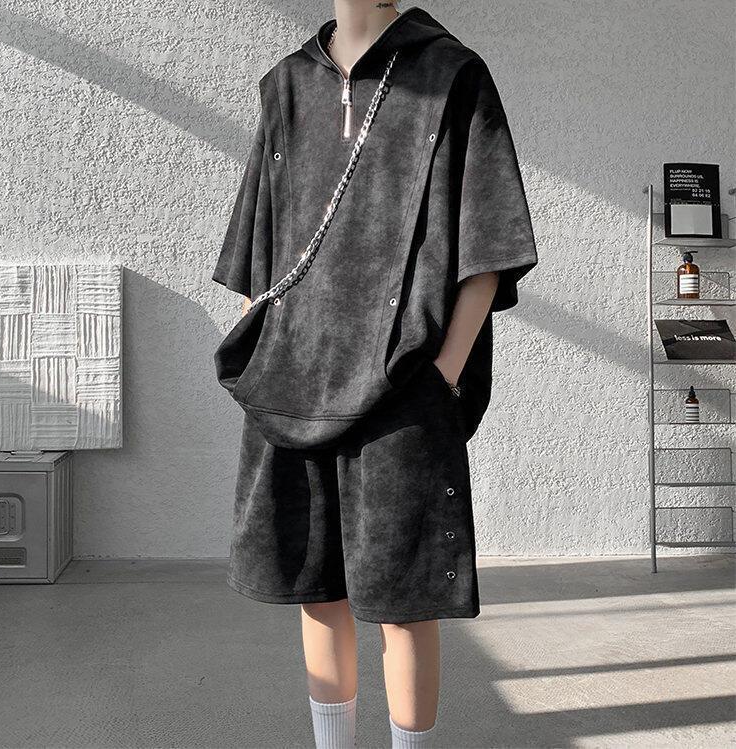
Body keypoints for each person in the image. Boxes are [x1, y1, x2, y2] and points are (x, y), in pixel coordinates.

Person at [211, 2, 538, 747]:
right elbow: (258, 247)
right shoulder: (287, 84)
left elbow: (488, 246)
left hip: (404, 388)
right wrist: (266, 352)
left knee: (405, 602)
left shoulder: (452, 73)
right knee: (316, 591)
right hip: (293, 381)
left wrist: (444, 373)